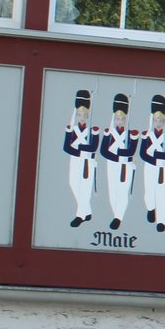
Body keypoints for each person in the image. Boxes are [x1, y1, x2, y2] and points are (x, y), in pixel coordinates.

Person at [139, 94, 165, 232]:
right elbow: (143, 154)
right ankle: (151, 208)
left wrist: (161, 157)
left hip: (164, 169)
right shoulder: (147, 136)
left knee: (162, 194)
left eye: (161, 120)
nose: (158, 123)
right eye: (156, 120)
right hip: (150, 166)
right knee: (149, 192)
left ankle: (161, 220)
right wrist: (157, 158)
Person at [99, 93, 138, 231]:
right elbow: (103, 151)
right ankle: (116, 213)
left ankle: (118, 217)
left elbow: (131, 151)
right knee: (112, 192)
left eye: (123, 119)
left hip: (126, 166)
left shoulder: (132, 134)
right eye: (117, 118)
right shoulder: (109, 133)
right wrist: (118, 156)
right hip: (112, 164)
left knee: (122, 191)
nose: (120, 121)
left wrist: (120, 155)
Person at [63, 89, 99, 228]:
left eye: (84, 115)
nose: (82, 118)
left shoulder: (93, 131)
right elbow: (66, 147)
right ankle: (87, 211)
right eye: (79, 115)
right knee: (73, 184)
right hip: (75, 160)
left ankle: (80, 215)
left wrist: (79, 148)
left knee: (85, 188)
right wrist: (81, 151)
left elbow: (93, 147)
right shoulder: (72, 129)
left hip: (88, 162)